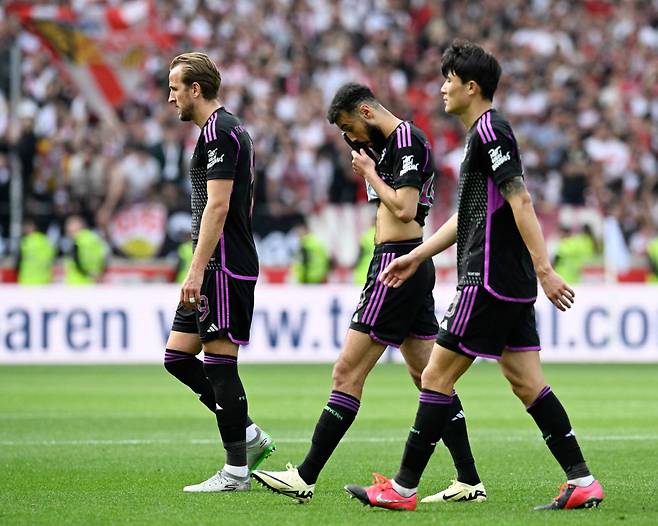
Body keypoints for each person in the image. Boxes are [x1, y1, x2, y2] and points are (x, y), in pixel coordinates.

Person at [344, 41, 604, 511]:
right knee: (526, 381)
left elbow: (521, 201)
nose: (442, 87)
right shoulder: (481, 136)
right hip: (508, 283)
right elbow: (467, 216)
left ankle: (402, 488)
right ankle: (581, 480)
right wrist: (418, 255)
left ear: (471, 86)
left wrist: (547, 270)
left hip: (486, 279)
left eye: (448, 79)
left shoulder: (491, 133)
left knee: (435, 375)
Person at [253, 83, 485, 504]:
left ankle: (304, 476)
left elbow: (407, 209)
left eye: (350, 127)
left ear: (365, 111)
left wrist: (370, 173)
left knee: (347, 372)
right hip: (405, 264)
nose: (351, 138)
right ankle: (469, 479)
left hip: (397, 265)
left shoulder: (408, 141)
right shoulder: (392, 145)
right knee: (430, 378)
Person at [164, 52, 275, 493]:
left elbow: (220, 204)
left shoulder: (220, 133)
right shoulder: (221, 130)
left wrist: (196, 270)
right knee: (177, 356)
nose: (170, 97)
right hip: (214, 262)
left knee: (220, 365)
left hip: (222, 264)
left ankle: (235, 473)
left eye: (175, 88)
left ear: (195, 89)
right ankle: (247, 434)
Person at [63, 215, 107, 285]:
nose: (68, 233)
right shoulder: (96, 240)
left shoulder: (77, 243)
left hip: (77, 283)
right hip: (93, 283)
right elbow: (103, 256)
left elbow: (78, 262)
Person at [16, 216, 56, 285]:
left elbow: (19, 260)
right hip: (43, 280)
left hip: (27, 280)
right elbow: (51, 258)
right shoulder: (45, 240)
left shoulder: (25, 242)